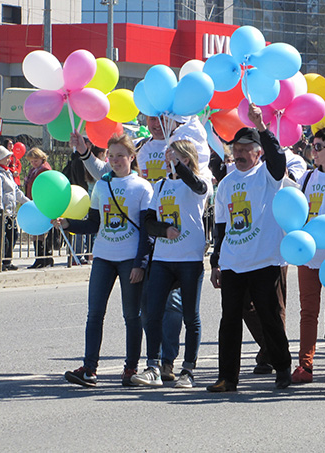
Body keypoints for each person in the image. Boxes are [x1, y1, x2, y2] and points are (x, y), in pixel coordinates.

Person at [208, 103, 292, 392]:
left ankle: (282, 368)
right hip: (233, 262)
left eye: (246, 149)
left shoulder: (268, 176)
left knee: (270, 318)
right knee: (229, 321)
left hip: (264, 261)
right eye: (237, 149)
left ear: (258, 153)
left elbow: (278, 158)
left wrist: (262, 127)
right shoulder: (226, 184)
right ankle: (227, 377)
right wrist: (216, 262)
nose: (240, 154)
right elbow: (221, 227)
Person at [61, 134, 153, 387]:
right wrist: (68, 224)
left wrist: (140, 264)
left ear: (132, 157)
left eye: (120, 155)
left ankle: (130, 369)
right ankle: (89, 369)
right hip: (103, 256)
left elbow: (146, 231)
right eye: (111, 156)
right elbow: (94, 223)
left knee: (131, 315)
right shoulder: (102, 185)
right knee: (94, 314)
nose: (114, 160)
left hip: (129, 259)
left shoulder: (142, 187)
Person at [132, 140, 211, 388]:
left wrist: (180, 165)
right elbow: (149, 222)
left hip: (189, 258)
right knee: (153, 313)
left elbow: (197, 186)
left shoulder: (200, 182)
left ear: (186, 159)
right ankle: (153, 366)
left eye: (175, 157)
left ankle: (188, 370)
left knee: (190, 316)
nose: (168, 161)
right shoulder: (160, 185)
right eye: (169, 157)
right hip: (163, 259)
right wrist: (164, 230)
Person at [291, 126, 325, 384]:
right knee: (308, 311)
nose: (312, 151)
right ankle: (305, 364)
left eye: (318, 147)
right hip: (308, 254)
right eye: (311, 146)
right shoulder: (306, 178)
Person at [0, 145, 29, 271]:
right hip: (2, 213)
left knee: (13, 235)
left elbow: (16, 191)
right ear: (0, 158)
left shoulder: (7, 172)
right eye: (7, 157)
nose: (9, 160)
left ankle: (7, 261)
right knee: (2, 238)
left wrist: (28, 202)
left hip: (11, 211)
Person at [24, 147, 53, 268]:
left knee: (40, 232)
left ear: (41, 158)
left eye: (35, 160)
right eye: (31, 161)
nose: (33, 163)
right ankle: (41, 257)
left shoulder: (44, 169)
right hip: (33, 202)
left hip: (41, 203)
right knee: (36, 232)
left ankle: (43, 257)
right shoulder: (34, 169)